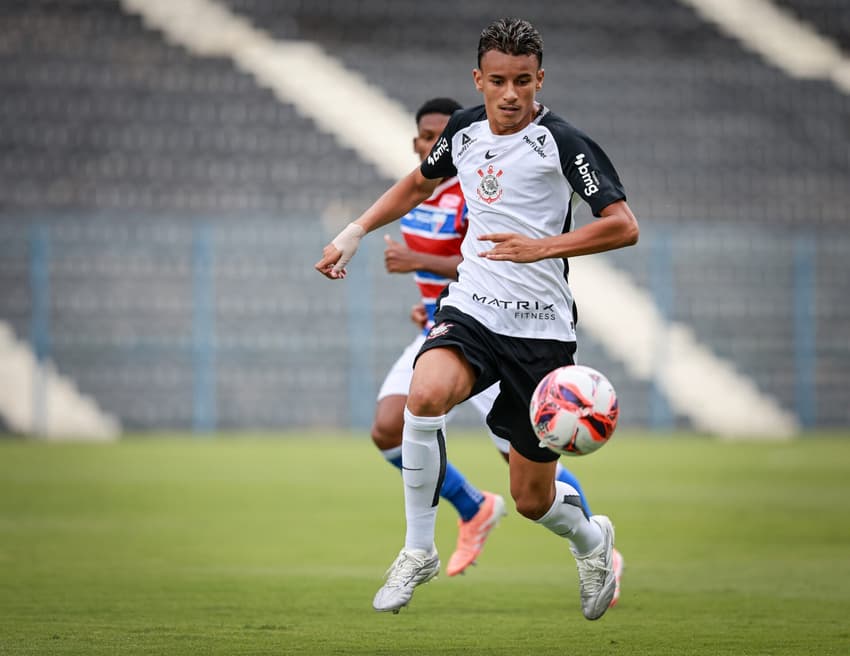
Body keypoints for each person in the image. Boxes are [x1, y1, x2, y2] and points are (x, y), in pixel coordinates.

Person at [316, 18, 638, 620]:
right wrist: (355, 232)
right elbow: (417, 184)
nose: (511, 93)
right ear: (479, 80)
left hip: (540, 332)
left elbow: (623, 225)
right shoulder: (463, 130)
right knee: (425, 394)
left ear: (540, 79)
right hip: (473, 308)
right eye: (498, 80)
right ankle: (418, 550)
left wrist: (540, 247)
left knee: (532, 500)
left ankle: (593, 542)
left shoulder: (564, 143)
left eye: (523, 80)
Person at [373, 97, 611, 580]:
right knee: (392, 422)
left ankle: (594, 541)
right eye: (426, 137)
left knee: (529, 486)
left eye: (440, 136)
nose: (434, 145)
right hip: (460, 323)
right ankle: (460, 516)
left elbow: (484, 255)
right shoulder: (425, 197)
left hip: (524, 331)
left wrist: (418, 264)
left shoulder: (482, 186)